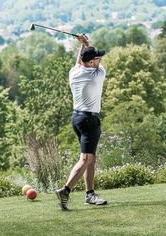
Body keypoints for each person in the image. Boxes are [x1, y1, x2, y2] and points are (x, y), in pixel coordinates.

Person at [55, 34, 107, 211]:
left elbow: (80, 61)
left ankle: (90, 194)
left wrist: (83, 45)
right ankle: (66, 190)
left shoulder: (74, 73)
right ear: (92, 62)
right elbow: (89, 62)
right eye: (97, 58)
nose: (99, 59)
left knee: (91, 157)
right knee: (86, 158)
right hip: (89, 120)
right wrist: (86, 44)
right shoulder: (97, 75)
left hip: (77, 119)